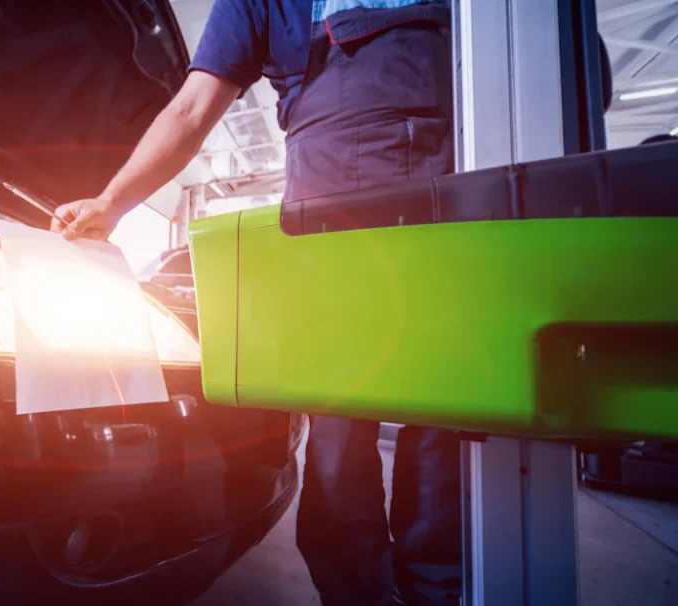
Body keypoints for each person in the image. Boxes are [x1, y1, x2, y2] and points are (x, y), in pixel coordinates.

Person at [51, 1, 462, 604]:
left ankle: (417, 590)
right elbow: (192, 107)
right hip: (369, 182)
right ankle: (394, 591)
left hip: (423, 174)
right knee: (388, 412)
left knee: (427, 408)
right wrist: (111, 203)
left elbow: (193, 108)